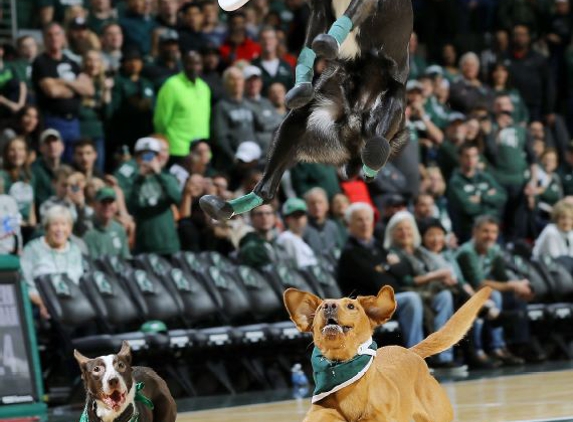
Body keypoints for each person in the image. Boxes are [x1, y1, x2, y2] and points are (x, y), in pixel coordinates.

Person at [337, 202, 425, 349]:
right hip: (364, 305)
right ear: (349, 225)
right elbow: (376, 282)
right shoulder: (350, 252)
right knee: (411, 299)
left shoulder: (377, 245)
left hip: (384, 299)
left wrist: (385, 268)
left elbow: (405, 268)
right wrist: (390, 268)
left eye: (367, 219)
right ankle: (416, 354)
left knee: (420, 298)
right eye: (359, 220)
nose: (365, 223)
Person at [383, 211, 463, 369]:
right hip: (408, 293)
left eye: (408, 228)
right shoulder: (391, 254)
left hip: (428, 292)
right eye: (400, 229)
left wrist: (442, 278)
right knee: (416, 299)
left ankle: (444, 355)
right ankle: (418, 358)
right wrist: (435, 276)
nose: (405, 232)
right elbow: (406, 281)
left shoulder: (419, 251)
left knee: (446, 296)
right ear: (392, 233)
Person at [456, 216, 533, 364]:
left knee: (498, 295)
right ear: (475, 232)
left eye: (493, 232)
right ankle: (478, 351)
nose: (490, 236)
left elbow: (502, 278)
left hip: (480, 295)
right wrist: (513, 285)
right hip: (462, 295)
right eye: (485, 231)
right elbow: (479, 283)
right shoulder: (467, 252)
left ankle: (498, 348)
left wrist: (519, 287)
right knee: (489, 296)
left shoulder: (494, 250)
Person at [32, 23, 94, 161]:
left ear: (63, 37)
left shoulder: (73, 63)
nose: (54, 38)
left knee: (75, 161)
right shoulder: (41, 62)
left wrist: (63, 82)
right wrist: (76, 88)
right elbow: (52, 91)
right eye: (50, 35)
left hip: (74, 121)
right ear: (44, 38)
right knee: (55, 160)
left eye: (57, 34)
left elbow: (89, 90)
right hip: (53, 120)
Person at [21, 205, 84, 320]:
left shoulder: (75, 250)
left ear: (70, 229)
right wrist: (43, 303)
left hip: (72, 304)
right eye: (55, 224)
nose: (60, 229)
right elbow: (26, 285)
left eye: (64, 224)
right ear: (46, 227)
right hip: (40, 303)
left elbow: (78, 281)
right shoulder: (32, 249)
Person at [154, 51, 211, 162]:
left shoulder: (205, 88)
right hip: (177, 149)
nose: (194, 67)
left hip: (201, 151)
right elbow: (160, 120)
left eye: (198, 63)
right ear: (183, 64)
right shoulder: (171, 85)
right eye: (190, 63)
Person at [128, 137, 181, 255]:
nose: (147, 160)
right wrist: (140, 178)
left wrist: (158, 174)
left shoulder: (168, 178)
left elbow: (177, 198)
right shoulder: (132, 179)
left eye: (151, 156)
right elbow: (130, 206)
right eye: (143, 156)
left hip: (167, 244)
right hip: (143, 244)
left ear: (158, 157)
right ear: (136, 158)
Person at [448, 143, 507, 242]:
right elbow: (469, 208)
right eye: (467, 156)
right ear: (460, 158)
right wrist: (490, 201)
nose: (470, 159)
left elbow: (502, 197)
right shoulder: (456, 182)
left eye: (474, 156)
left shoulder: (485, 176)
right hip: (470, 231)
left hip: (492, 227)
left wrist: (482, 198)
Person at [109, 49, 155, 153]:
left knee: (146, 157)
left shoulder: (147, 83)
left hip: (145, 130)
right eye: (130, 60)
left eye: (137, 60)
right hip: (124, 131)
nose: (134, 64)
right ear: (124, 63)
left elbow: (153, 106)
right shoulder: (118, 81)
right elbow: (114, 108)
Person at [211, 66, 257, 170]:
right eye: (232, 79)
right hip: (231, 162)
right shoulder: (221, 106)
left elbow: (257, 131)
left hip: (253, 158)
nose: (236, 82)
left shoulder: (249, 105)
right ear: (226, 83)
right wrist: (234, 158)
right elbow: (220, 137)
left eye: (239, 78)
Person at [80, 50, 113, 171]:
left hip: (98, 134)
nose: (93, 64)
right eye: (89, 60)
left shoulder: (103, 84)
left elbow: (107, 114)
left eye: (97, 60)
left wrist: (107, 91)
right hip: (81, 132)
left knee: (98, 170)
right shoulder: (78, 81)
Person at [40, 168, 94, 237]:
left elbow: (89, 228)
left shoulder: (80, 204)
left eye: (72, 186)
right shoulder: (47, 205)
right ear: (54, 183)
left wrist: (80, 207)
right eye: (64, 185)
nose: (68, 190)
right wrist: (68, 204)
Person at [243, 65, 282, 155]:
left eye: (256, 80)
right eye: (249, 81)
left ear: (260, 82)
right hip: (257, 152)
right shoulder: (242, 103)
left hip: (273, 152)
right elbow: (262, 123)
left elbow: (279, 122)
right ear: (244, 83)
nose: (253, 84)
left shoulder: (266, 102)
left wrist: (268, 123)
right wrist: (272, 123)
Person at [83, 187, 130, 259]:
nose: (107, 206)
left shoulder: (119, 229)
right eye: (103, 202)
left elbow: (126, 257)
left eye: (110, 202)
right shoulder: (89, 230)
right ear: (95, 205)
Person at [0, 137, 36, 230]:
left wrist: (32, 226)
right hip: (8, 228)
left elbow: (31, 205)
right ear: (6, 153)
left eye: (20, 149)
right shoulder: (2, 176)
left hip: (27, 227)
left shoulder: (30, 175)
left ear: (26, 152)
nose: (17, 153)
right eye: (12, 150)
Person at [277, 198, 318, 269]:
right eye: (294, 216)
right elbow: (300, 269)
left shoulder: (299, 239)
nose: (299, 219)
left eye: (301, 215)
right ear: (287, 219)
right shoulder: (287, 238)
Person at [251, 27, 294, 94]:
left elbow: (292, 91)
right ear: (259, 42)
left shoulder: (286, 66)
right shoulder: (253, 66)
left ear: (276, 41)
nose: (267, 42)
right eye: (264, 39)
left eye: (270, 38)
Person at [303, 187, 345, 253]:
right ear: (307, 207)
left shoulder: (333, 226)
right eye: (312, 203)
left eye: (320, 202)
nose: (316, 206)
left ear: (327, 205)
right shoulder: (303, 230)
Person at [32, 129, 66, 209]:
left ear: (62, 146)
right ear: (41, 148)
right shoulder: (34, 170)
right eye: (47, 142)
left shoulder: (68, 169)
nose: (52, 145)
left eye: (55, 141)